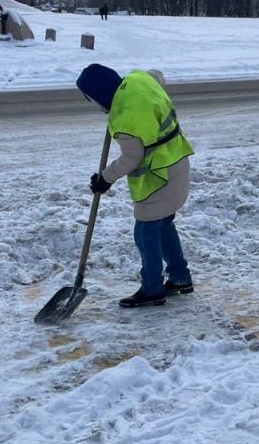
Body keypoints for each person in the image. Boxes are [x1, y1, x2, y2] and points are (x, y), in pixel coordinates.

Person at [76, 63, 195, 308]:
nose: (96, 107)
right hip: (177, 159)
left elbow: (132, 157)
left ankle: (153, 289)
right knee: (163, 226)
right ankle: (180, 277)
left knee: (145, 233)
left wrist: (105, 179)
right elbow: (157, 77)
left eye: (93, 100)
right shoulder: (137, 80)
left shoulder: (126, 119)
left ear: (99, 95)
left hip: (159, 176)